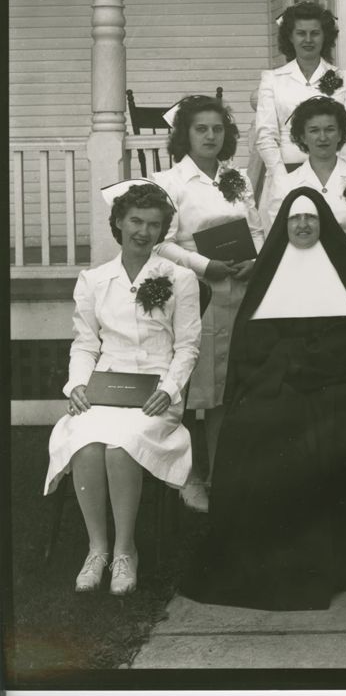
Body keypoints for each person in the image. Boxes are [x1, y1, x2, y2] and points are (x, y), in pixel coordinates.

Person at [181, 187, 346, 610]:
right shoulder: (269, 272)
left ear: (323, 224)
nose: (302, 225)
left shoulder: (345, 269)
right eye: (295, 219)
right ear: (284, 225)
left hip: (337, 383)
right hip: (277, 382)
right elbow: (251, 344)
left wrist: (298, 363)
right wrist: (291, 364)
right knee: (256, 426)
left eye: (311, 219)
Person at [44, 180, 202, 595]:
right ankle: (96, 548)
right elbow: (85, 343)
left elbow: (187, 347)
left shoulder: (179, 278)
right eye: (135, 221)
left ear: (163, 230)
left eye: (153, 224)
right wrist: (77, 385)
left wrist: (169, 390)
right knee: (85, 438)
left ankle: (126, 550)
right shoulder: (94, 280)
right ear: (118, 221)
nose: (143, 232)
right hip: (106, 387)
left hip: (155, 393)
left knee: (123, 443)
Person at [153, 95, 264, 511]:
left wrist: (252, 262)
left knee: (223, 388)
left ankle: (220, 472)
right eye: (201, 128)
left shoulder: (236, 179)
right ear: (185, 134)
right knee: (190, 391)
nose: (210, 136)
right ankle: (187, 475)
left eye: (218, 129)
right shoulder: (169, 182)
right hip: (193, 294)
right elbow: (160, 243)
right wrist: (204, 265)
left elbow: (257, 231)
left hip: (237, 292)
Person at [253, 1, 346, 231]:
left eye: (315, 33)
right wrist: (282, 179)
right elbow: (265, 135)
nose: (308, 40)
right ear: (290, 37)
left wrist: (340, 174)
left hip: (332, 173)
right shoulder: (273, 79)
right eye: (301, 33)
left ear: (325, 36)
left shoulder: (343, 77)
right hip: (286, 173)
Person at [267, 96, 346, 282]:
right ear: (302, 136)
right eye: (314, 130)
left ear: (340, 134)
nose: (322, 138)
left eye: (330, 129)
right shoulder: (285, 184)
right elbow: (277, 242)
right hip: (301, 278)